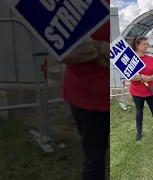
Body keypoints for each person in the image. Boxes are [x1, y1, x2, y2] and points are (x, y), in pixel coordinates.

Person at [61, 20, 110, 180]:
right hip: (88, 96)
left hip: (111, 96)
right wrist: (102, 48)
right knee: (95, 157)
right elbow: (61, 48)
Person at [129, 36, 153, 142]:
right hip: (137, 92)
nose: (146, 46)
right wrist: (141, 76)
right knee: (139, 112)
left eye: (147, 44)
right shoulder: (131, 60)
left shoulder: (150, 59)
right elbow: (130, 78)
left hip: (150, 91)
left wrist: (149, 78)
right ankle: (139, 132)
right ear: (137, 45)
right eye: (144, 44)